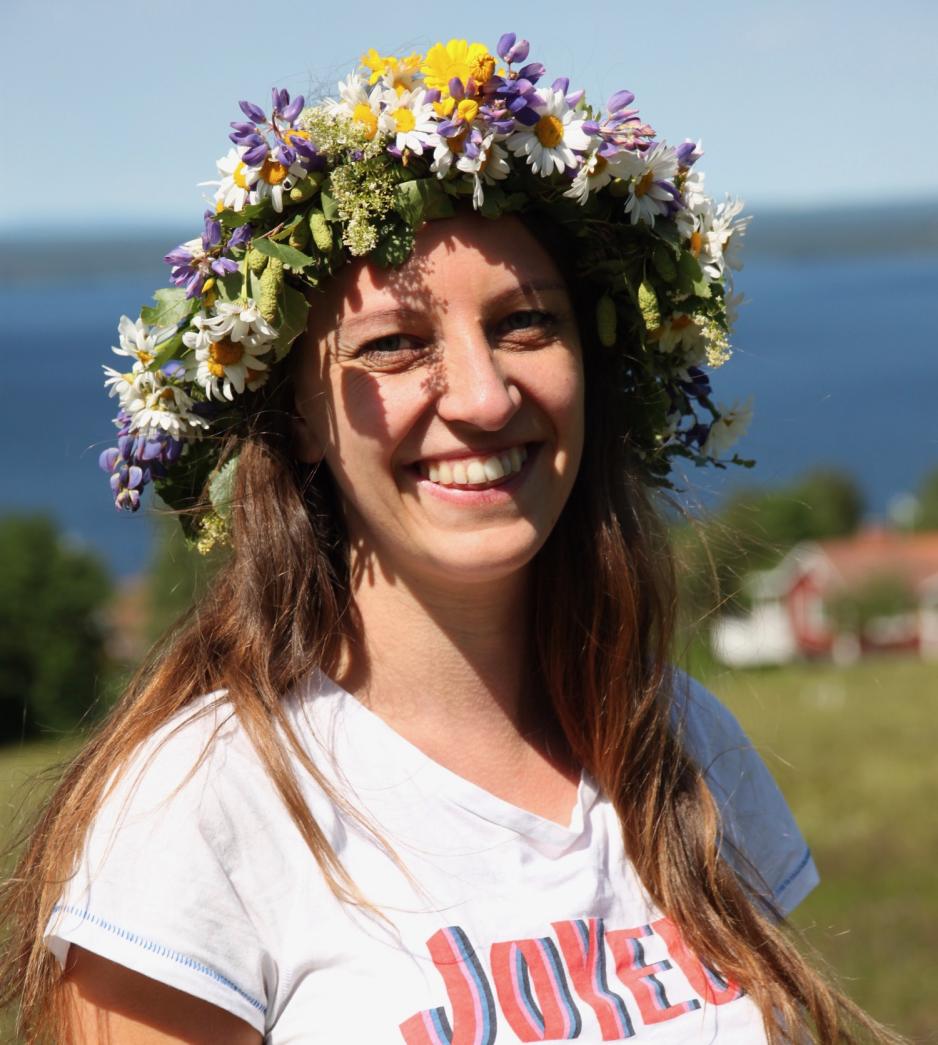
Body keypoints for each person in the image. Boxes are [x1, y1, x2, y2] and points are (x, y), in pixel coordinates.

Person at [0, 34, 901, 1045]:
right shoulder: (200, 816)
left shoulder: (677, 745)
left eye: (524, 325)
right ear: (295, 412)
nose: (480, 396)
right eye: (393, 344)